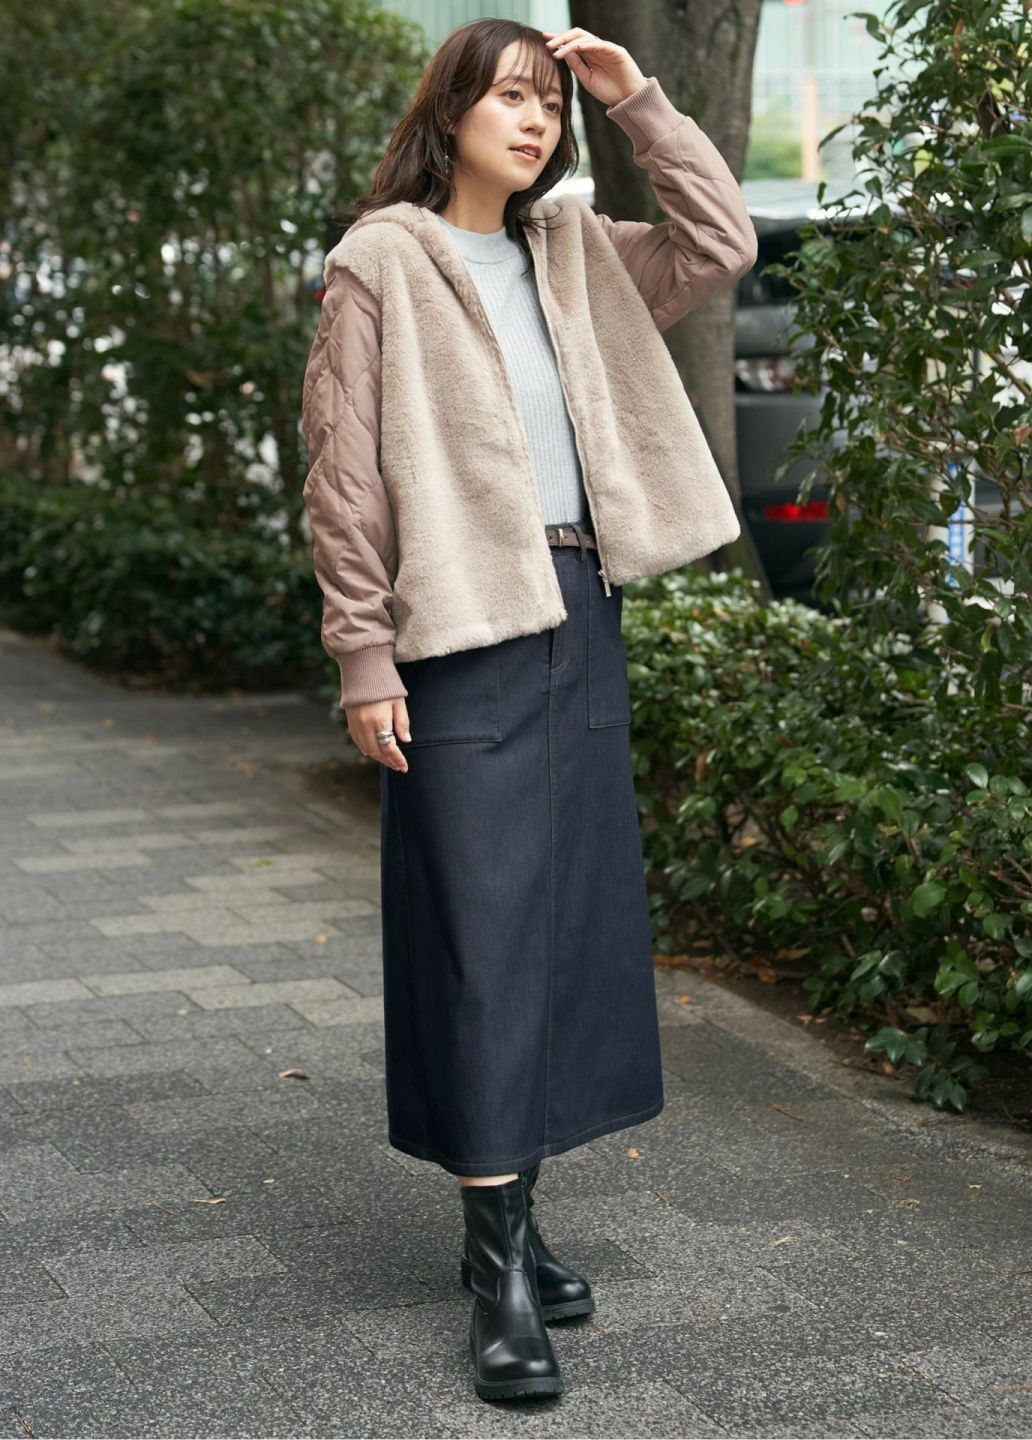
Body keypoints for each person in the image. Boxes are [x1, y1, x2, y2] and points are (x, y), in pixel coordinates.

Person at [300, 17, 757, 1403]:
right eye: (509, 97)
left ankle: (510, 1228)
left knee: (565, 929)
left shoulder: (578, 250)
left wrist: (635, 98)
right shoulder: (380, 263)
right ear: (449, 112)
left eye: (547, 103)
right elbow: (343, 474)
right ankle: (499, 1277)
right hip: (459, 634)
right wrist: (364, 656)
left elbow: (723, 240)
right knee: (483, 938)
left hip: (580, 611)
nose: (535, 119)